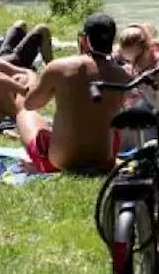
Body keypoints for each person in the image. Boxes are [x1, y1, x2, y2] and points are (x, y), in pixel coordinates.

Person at [16, 13, 131, 174]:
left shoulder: (59, 67)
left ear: (84, 39)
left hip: (60, 163)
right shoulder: (123, 76)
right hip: (104, 161)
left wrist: (32, 79)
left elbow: (31, 104)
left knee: (24, 114)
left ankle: (41, 163)